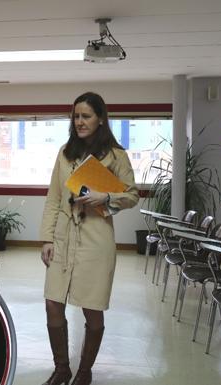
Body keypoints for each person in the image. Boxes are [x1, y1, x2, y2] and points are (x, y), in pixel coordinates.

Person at [39, 92, 139, 385]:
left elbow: (133, 195)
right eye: (76, 116)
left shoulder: (116, 155)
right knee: (52, 303)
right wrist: (46, 238)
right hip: (63, 237)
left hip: (96, 240)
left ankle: (84, 371)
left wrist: (105, 196)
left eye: (86, 116)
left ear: (100, 119)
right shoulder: (64, 152)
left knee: (92, 309)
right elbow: (54, 199)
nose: (80, 122)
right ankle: (62, 368)